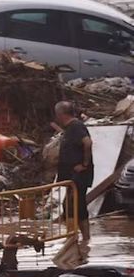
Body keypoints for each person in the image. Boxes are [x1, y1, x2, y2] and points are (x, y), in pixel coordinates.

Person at [54, 100, 93, 245]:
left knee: (71, 205)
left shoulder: (75, 126)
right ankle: (84, 239)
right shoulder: (71, 128)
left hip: (78, 175)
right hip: (72, 176)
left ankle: (71, 238)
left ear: (61, 114)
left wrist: (84, 164)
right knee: (78, 205)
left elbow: (87, 143)